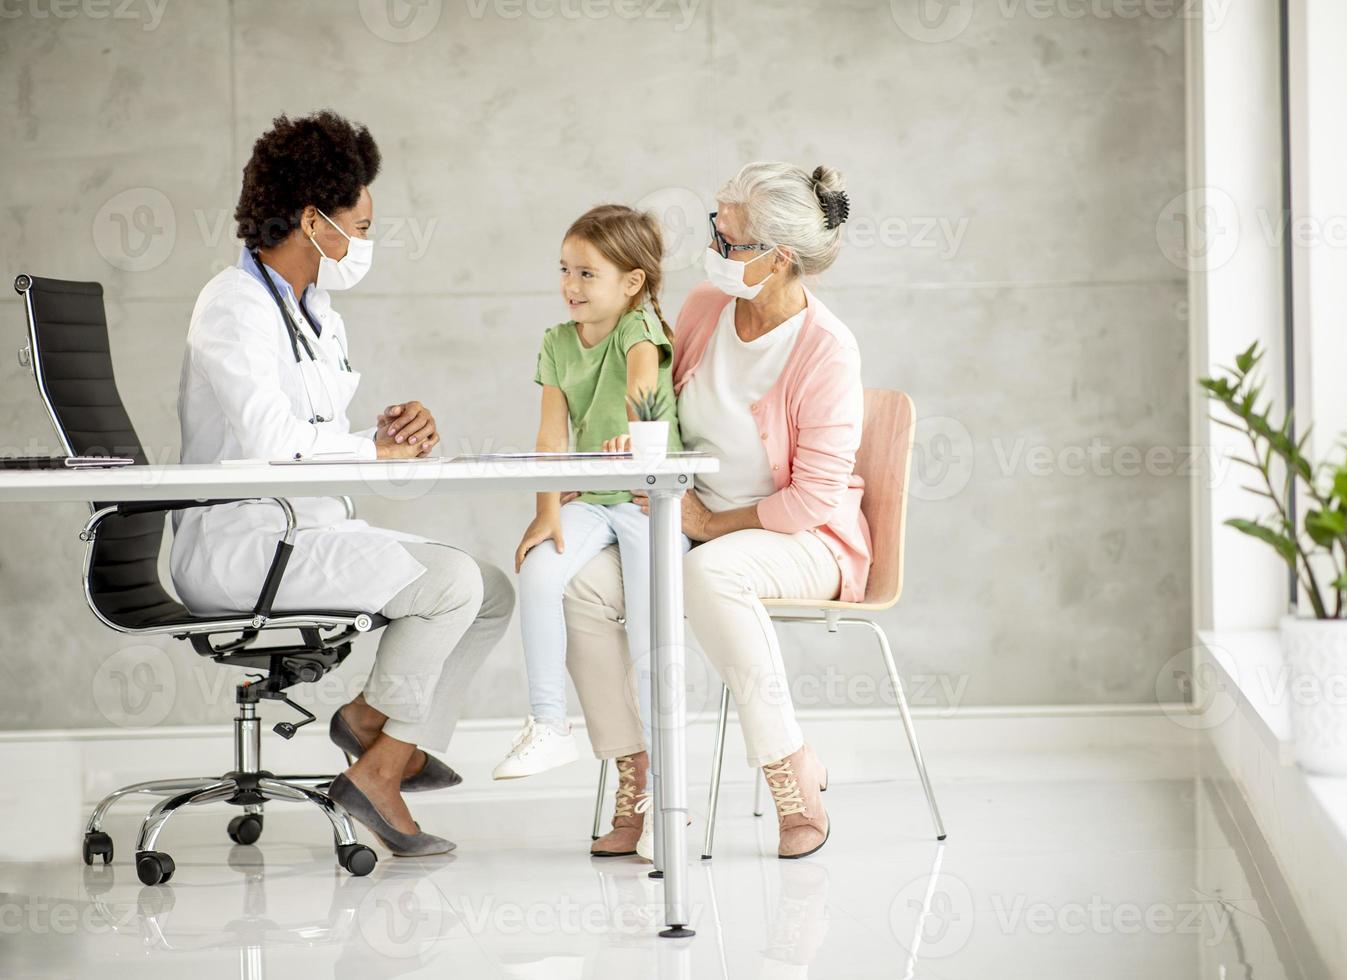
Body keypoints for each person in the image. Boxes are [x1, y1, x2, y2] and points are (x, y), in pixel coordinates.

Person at [173, 110, 515, 857]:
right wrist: (372, 453)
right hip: (243, 543)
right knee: (453, 584)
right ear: (311, 220)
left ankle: (376, 741)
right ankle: (377, 757)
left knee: (489, 590)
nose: (365, 242)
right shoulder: (232, 309)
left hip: (305, 530)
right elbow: (273, 444)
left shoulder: (314, 311)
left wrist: (389, 438)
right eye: (360, 226)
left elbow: (320, 440)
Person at [568, 163, 867, 859]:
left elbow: (814, 498)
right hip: (689, 525)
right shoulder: (706, 307)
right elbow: (656, 409)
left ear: (779, 258)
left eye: (728, 242)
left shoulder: (826, 350)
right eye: (716, 229)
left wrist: (706, 525)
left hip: (802, 538)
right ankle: (637, 775)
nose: (713, 250)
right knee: (583, 583)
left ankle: (789, 773)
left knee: (712, 575)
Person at [493, 205, 684, 797]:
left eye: (586, 274)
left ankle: (667, 789)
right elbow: (551, 436)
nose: (570, 286)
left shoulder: (638, 328)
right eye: (565, 271)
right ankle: (550, 723)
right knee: (540, 572)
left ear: (632, 283)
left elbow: (642, 390)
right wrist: (546, 510)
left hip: (649, 499)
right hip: (593, 498)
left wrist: (637, 429)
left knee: (654, 630)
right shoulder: (555, 343)